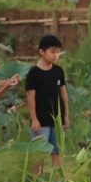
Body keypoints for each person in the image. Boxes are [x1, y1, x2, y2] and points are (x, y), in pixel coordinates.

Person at [26, 34, 69, 172]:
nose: (56, 55)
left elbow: (63, 93)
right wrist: (34, 119)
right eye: (52, 51)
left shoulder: (58, 71)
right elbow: (31, 96)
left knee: (56, 151)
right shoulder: (33, 73)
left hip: (57, 119)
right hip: (41, 120)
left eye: (58, 52)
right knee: (39, 153)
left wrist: (66, 115)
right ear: (42, 52)